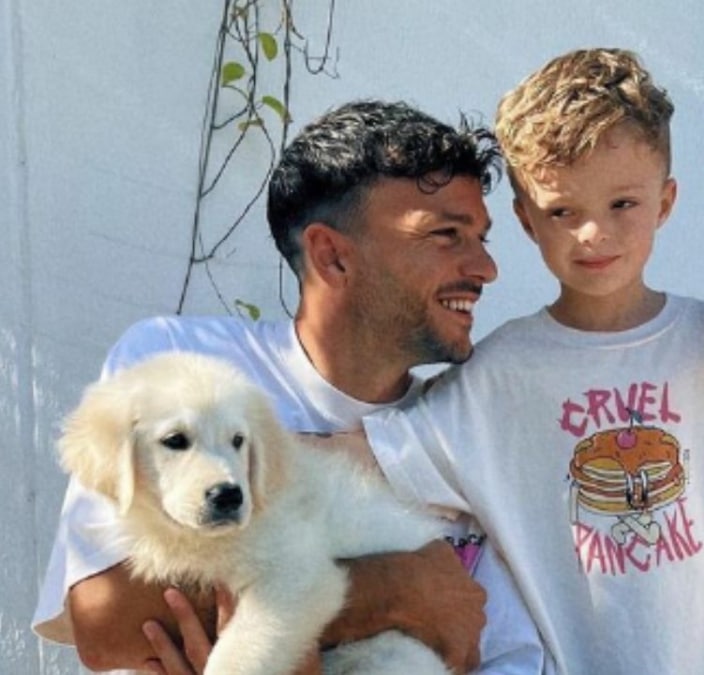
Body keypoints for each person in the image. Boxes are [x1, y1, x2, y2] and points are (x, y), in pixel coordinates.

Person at [33, 99, 546, 674]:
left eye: (481, 238)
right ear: (332, 256)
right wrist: (402, 588)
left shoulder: (470, 429)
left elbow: (483, 646)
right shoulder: (185, 367)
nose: (484, 268)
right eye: (446, 235)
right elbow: (108, 625)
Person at [361, 48, 704, 674]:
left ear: (665, 202)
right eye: (563, 212)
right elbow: (370, 457)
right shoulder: (500, 372)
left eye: (623, 204)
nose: (593, 233)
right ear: (526, 220)